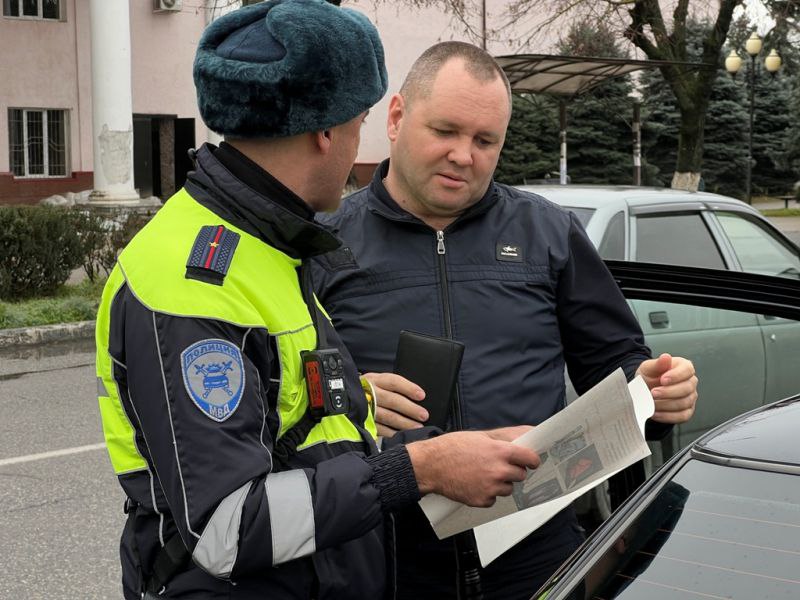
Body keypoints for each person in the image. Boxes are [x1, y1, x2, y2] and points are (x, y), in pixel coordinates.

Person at [95, 7, 541, 599]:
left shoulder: (268, 243)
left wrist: (423, 440)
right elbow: (226, 527)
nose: (364, 141)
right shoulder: (193, 280)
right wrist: (422, 469)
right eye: (360, 121)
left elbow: (290, 433)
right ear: (326, 132)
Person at [311, 41, 699, 599]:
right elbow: (280, 396)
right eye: (445, 131)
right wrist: (349, 395)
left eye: (484, 140)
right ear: (396, 118)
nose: (464, 155)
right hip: (384, 559)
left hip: (538, 556)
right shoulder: (323, 245)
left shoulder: (548, 232)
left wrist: (658, 393)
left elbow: (617, 366)